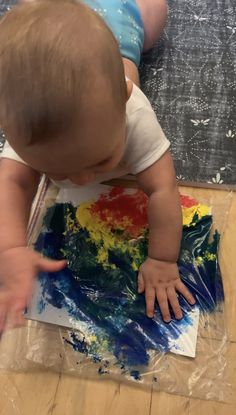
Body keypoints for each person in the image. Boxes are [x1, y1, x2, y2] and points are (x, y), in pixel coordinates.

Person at [0, 0, 195, 333]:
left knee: (153, 13)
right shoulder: (35, 130)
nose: (82, 179)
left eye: (101, 161)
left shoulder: (135, 116)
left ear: (124, 97)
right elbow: (11, 183)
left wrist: (163, 259)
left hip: (123, 18)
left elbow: (163, 188)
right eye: (57, 172)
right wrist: (11, 248)